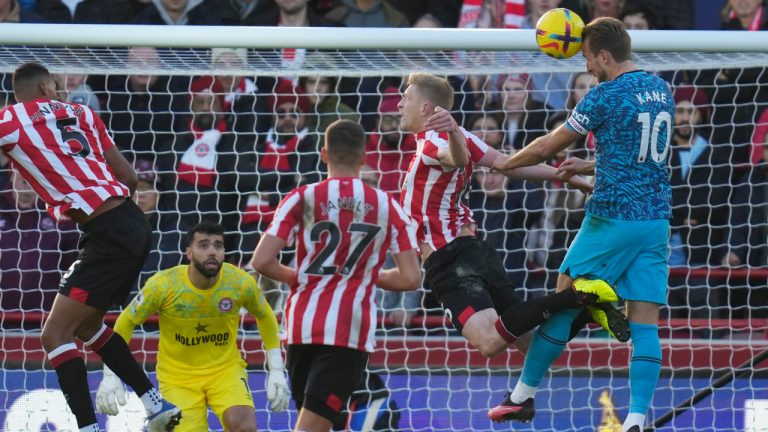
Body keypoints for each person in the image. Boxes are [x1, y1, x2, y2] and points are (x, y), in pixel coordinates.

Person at [490, 18, 674, 432]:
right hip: (655, 222)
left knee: (564, 297)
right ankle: (637, 421)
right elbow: (641, 152)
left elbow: (547, 145)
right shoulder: (661, 88)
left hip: (611, 218)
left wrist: (505, 164)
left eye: (589, 58)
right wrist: (592, 163)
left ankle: (522, 397)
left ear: (604, 56)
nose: (588, 66)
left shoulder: (603, 96)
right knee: (645, 323)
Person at [0, 62, 180, 431]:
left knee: (53, 334)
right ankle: (154, 403)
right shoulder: (83, 112)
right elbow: (129, 177)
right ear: (48, 88)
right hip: (132, 223)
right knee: (88, 326)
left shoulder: (10, 118)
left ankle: (86, 427)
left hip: (106, 232)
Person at [396, 72, 622, 363]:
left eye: (407, 97)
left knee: (490, 343)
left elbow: (458, 158)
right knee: (533, 348)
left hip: (449, 260)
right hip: (473, 251)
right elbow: (507, 165)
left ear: (426, 107)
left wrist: (452, 133)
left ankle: (576, 295)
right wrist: (561, 176)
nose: (400, 104)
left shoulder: (435, 142)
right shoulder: (462, 135)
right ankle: (584, 313)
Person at [251, 119, 421, 432]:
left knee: (316, 424)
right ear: (364, 157)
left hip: (300, 327)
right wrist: (366, 274)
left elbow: (261, 260)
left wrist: (298, 277)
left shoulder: (301, 197)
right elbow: (411, 278)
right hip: (347, 331)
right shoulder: (388, 206)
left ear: (324, 154)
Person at [95, 221, 290, 431]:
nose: (212, 251)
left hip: (225, 371)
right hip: (178, 377)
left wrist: (277, 368)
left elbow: (266, 316)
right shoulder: (164, 285)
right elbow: (126, 321)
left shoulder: (240, 283)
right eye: (203, 245)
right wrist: (110, 375)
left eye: (218, 246)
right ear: (189, 252)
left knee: (243, 425)